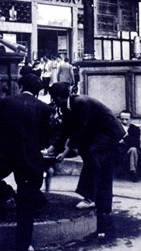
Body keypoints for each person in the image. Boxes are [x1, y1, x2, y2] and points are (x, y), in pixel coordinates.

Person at [49, 82, 125, 238]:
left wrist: (66, 151)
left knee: (92, 156)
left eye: (53, 98)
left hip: (109, 134)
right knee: (89, 156)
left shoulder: (80, 103)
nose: (53, 101)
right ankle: (96, 200)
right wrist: (54, 147)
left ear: (58, 97)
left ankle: (91, 198)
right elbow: (66, 129)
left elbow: (79, 129)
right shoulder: (67, 105)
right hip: (97, 134)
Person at [0, 74, 52, 251]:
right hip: (29, 157)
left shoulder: (7, 102)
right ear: (38, 90)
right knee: (27, 200)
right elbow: (45, 139)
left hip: (5, 156)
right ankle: (23, 245)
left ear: (20, 86)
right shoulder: (44, 108)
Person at [117, 110, 141, 182]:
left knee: (133, 149)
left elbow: (136, 143)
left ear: (131, 119)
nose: (124, 121)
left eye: (126, 119)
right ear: (119, 119)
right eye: (122, 119)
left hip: (129, 153)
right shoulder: (115, 128)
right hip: (118, 153)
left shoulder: (135, 129)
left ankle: (133, 172)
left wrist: (125, 138)